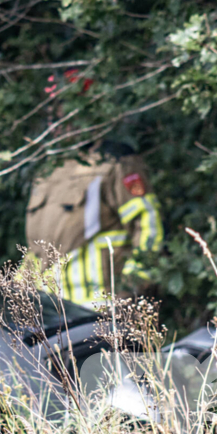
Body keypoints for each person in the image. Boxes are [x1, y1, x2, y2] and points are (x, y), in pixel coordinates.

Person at [24, 72, 165, 307]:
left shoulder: (116, 163)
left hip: (101, 309)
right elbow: (35, 251)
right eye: (54, 109)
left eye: (62, 108)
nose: (56, 118)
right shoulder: (49, 171)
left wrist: (133, 285)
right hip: (50, 313)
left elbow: (150, 224)